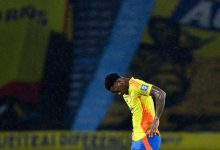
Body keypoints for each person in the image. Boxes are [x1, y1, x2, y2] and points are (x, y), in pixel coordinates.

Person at [104, 73, 166, 150]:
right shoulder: (125, 93)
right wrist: (136, 129)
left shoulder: (136, 85)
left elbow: (160, 94)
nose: (119, 94)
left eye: (117, 91)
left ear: (120, 82)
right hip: (136, 138)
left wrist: (156, 119)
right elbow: (136, 111)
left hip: (147, 135)